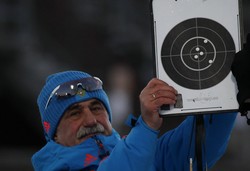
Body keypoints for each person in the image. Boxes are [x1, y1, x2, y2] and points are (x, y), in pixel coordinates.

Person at [31, 70, 237, 171]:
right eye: (75, 113)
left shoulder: (146, 153)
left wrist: (229, 89)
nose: (91, 120)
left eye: (96, 108)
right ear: (54, 133)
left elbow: (201, 144)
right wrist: (146, 127)